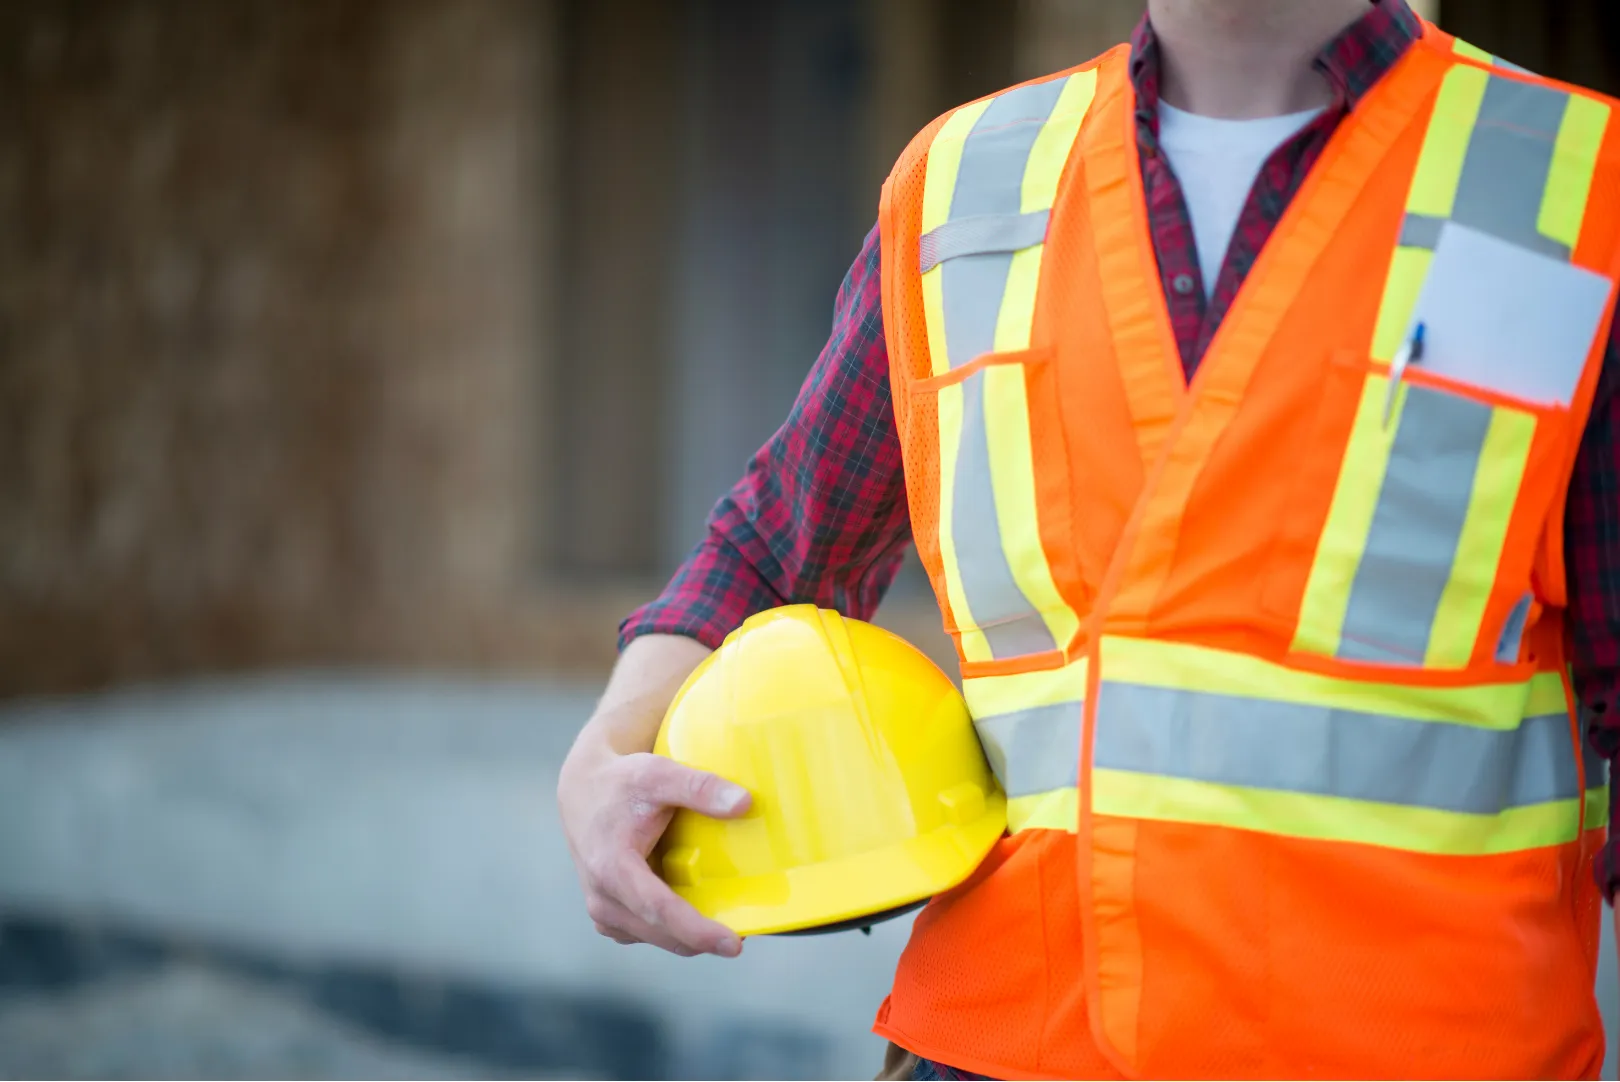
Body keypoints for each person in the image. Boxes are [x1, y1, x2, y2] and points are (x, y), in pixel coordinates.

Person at [559, 1, 1620, 1077]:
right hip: (1005, 1044)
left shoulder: (1580, 190)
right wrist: (609, 751)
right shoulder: (962, 187)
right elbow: (776, 548)